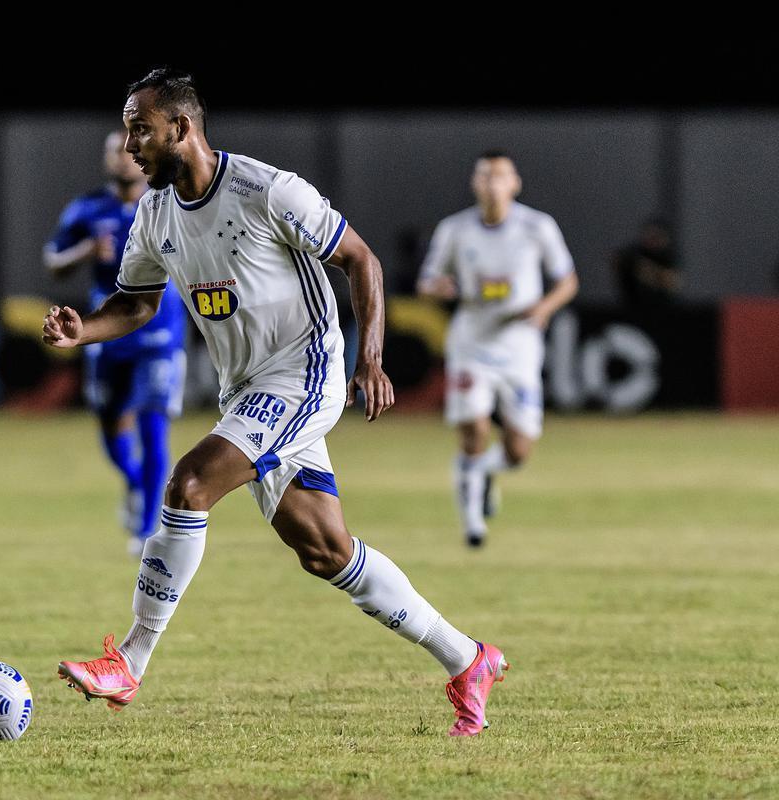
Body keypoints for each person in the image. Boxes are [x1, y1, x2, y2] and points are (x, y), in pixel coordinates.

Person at [43, 68, 508, 737]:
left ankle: (131, 663)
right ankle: (469, 659)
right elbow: (140, 301)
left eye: (139, 128)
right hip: (247, 388)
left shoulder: (268, 189)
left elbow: (362, 260)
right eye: (125, 130)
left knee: (190, 483)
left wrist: (371, 357)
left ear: (182, 127)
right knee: (324, 549)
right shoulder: (154, 213)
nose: (129, 145)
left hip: (305, 373)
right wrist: (85, 328)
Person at [417, 151, 579, 547]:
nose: (492, 183)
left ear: (515, 183)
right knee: (474, 428)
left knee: (519, 451)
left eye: (500, 175)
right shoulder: (455, 230)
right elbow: (427, 280)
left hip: (519, 346)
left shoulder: (537, 227)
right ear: (475, 183)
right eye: (485, 175)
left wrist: (542, 308)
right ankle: (473, 524)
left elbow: (567, 281)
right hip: (472, 341)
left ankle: (486, 473)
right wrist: (439, 288)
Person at [44, 131, 188, 556]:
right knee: (111, 430)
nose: (125, 157)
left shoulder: (168, 202)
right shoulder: (88, 208)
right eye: (115, 151)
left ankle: (146, 530)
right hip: (106, 330)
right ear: (107, 160)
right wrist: (86, 251)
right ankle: (135, 481)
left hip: (160, 331)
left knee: (152, 422)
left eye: (129, 149)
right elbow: (53, 261)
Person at [612, 217, 680, 309]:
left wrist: (646, 270)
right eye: (649, 235)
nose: (652, 240)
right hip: (633, 307)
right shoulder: (634, 253)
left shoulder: (668, 257)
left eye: (656, 236)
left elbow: (673, 283)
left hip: (663, 310)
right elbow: (616, 261)